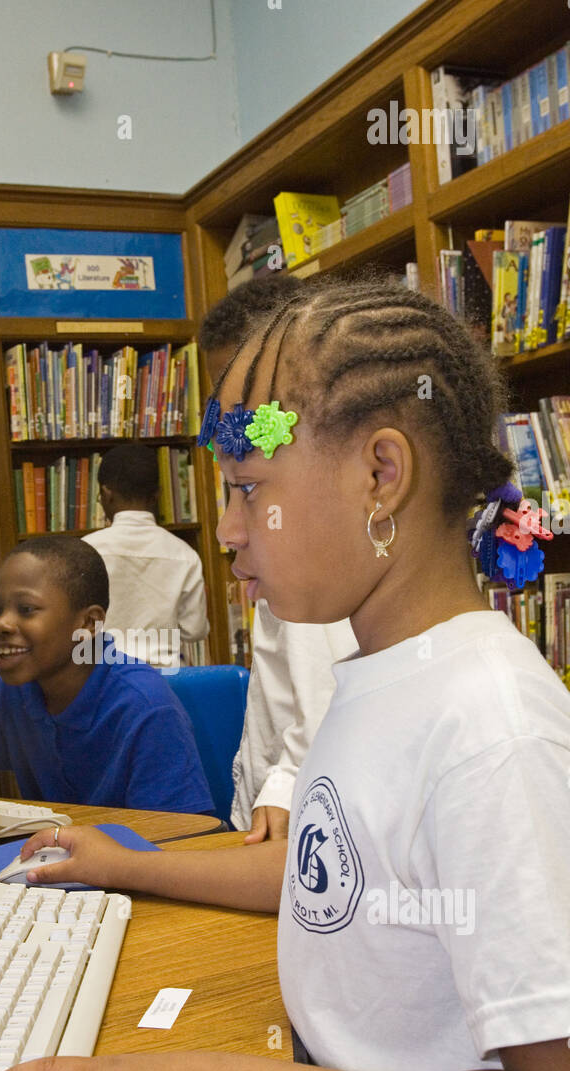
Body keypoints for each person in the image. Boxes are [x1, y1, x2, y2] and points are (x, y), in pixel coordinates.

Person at [0, 275, 570, 1071]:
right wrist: (138, 865)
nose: (229, 528)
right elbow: (328, 875)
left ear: (381, 473)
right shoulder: (381, 674)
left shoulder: (489, 730)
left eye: (249, 484)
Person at [199, 274, 357, 843]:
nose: (228, 406)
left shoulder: (314, 547)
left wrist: (287, 781)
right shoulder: (276, 504)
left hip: (290, 818)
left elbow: (323, 693)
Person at [0, 535, 214, 815]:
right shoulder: (12, 693)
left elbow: (184, 840)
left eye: (26, 610)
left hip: (140, 856)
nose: (1, 624)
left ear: (89, 622)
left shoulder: (147, 708)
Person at [83, 442, 209, 669]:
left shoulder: (85, 551)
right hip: (165, 682)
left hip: (102, 679)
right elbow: (195, 630)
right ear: (157, 496)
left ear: (105, 494)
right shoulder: (185, 555)